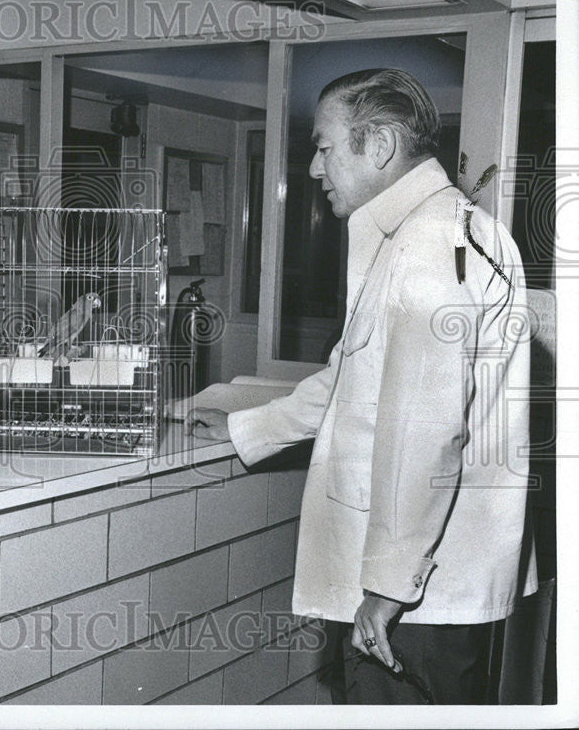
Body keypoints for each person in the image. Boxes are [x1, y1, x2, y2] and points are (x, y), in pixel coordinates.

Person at [187, 69, 536, 704]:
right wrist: (248, 425)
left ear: (377, 146)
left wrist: (386, 587)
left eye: (323, 146)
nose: (314, 169)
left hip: (417, 602)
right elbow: (354, 377)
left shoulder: (425, 248)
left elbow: (426, 433)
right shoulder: (443, 229)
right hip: (435, 586)